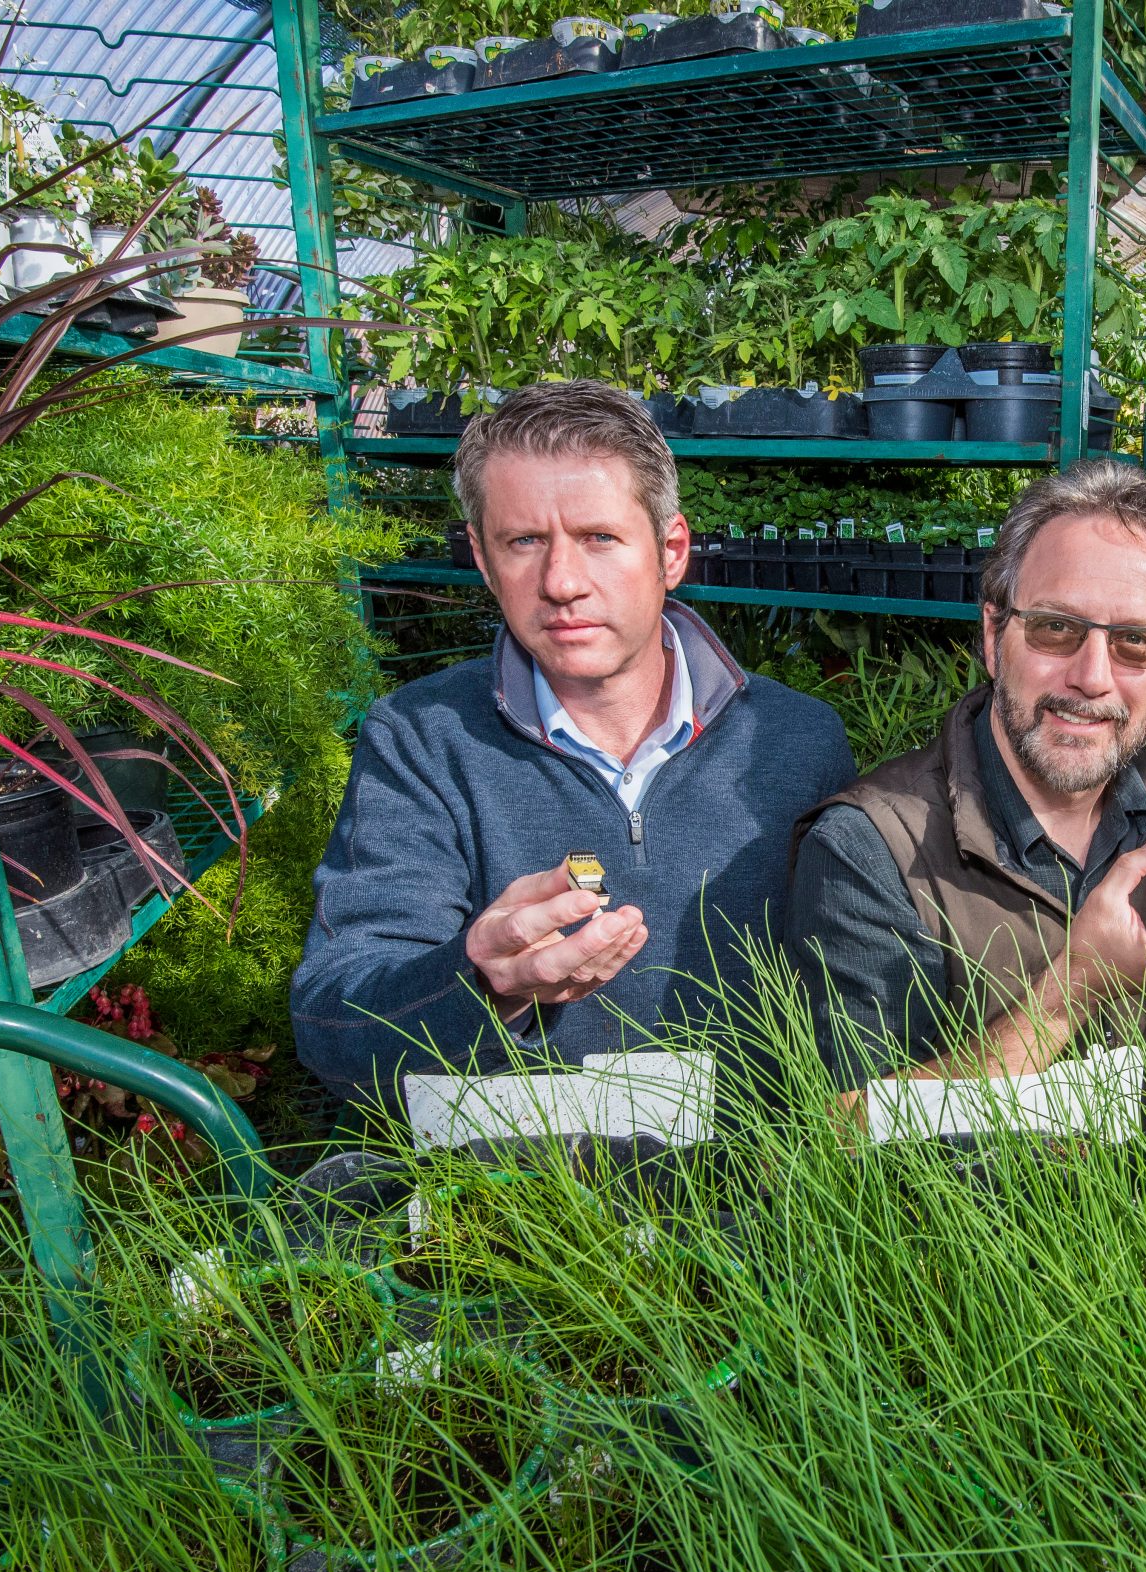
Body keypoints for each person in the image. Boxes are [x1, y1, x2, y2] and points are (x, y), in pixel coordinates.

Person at [292, 382, 856, 1103]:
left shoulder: (797, 741)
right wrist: (482, 982)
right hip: (515, 1195)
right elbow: (333, 1025)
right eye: (523, 541)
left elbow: (847, 996)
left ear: (671, 549)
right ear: (483, 558)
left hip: (757, 1186)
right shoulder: (422, 742)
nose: (561, 582)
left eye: (600, 538)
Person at [788, 460, 1146, 1088]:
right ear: (994, 634)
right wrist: (1071, 992)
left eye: (1135, 642)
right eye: (1055, 628)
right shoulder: (870, 850)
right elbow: (838, 1135)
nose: (1092, 677)